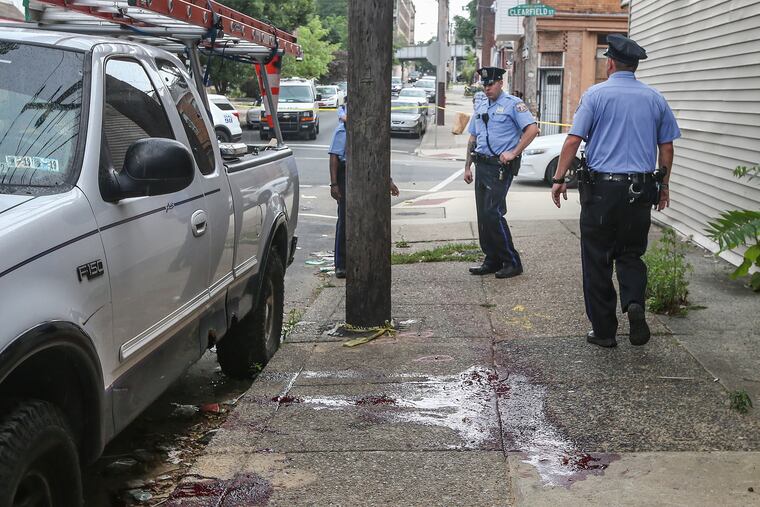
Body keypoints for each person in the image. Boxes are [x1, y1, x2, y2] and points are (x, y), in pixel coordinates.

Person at [550, 34, 681, 348]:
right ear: (634, 66)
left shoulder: (596, 95)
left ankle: (605, 332)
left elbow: (573, 140)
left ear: (609, 63)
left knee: (597, 259)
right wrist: (663, 186)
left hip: (601, 192)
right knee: (631, 253)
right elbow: (666, 147)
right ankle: (634, 302)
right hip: (639, 190)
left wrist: (558, 178)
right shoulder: (655, 98)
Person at [464, 67, 539, 279]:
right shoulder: (480, 105)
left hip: (500, 167)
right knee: (483, 216)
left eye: (491, 84)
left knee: (492, 213)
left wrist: (514, 152)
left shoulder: (513, 104)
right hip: (481, 165)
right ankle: (492, 258)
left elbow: (532, 129)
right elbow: (473, 137)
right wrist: (467, 166)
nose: (487, 88)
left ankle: (511, 261)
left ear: (500, 83)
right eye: (484, 85)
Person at [328, 111, 399, 279]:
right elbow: (334, 157)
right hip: (346, 174)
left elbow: (378, 156)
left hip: (366, 173)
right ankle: (341, 264)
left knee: (369, 218)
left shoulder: (371, 130)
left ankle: (365, 260)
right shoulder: (343, 130)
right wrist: (334, 184)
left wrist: (388, 181)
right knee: (345, 219)